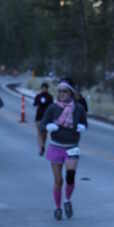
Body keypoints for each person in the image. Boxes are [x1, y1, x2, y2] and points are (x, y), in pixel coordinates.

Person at [41, 80, 86, 218]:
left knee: (70, 176)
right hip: (56, 146)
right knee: (58, 180)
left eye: (65, 91)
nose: (62, 94)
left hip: (72, 146)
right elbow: (42, 124)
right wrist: (48, 126)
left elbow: (84, 122)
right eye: (59, 91)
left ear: (71, 93)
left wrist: (82, 126)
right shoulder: (52, 108)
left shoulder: (78, 108)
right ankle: (58, 207)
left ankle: (67, 200)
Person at [32, 82, 53, 156]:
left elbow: (51, 106)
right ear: (41, 88)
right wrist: (37, 103)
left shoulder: (50, 97)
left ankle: (43, 145)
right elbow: (34, 104)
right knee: (39, 133)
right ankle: (41, 147)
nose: (44, 89)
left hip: (46, 117)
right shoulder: (38, 96)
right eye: (43, 88)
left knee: (44, 133)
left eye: (45, 88)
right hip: (38, 116)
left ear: (47, 89)